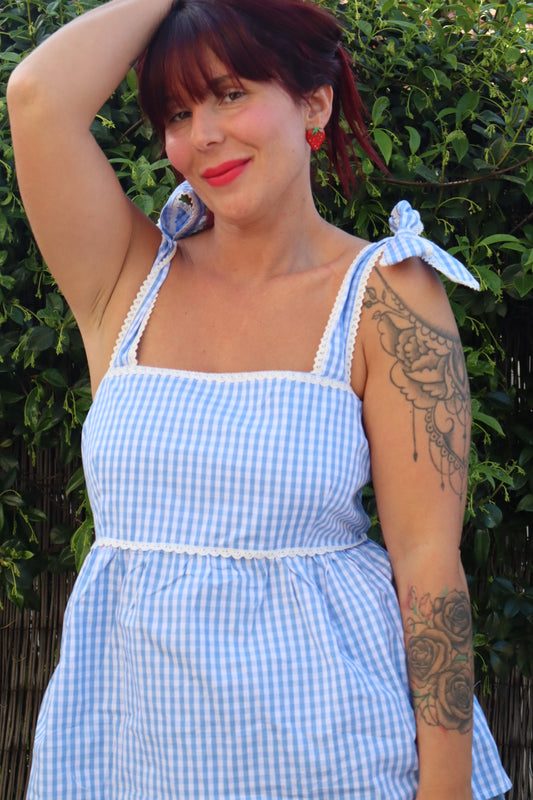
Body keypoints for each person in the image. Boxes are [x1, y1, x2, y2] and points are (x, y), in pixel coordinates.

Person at [7, 0, 511, 797]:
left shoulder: (386, 296)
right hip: (130, 765)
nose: (201, 135)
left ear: (314, 103)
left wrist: (444, 790)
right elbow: (38, 96)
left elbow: (426, 564)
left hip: (340, 761)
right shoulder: (124, 280)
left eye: (230, 93)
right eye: (177, 112)